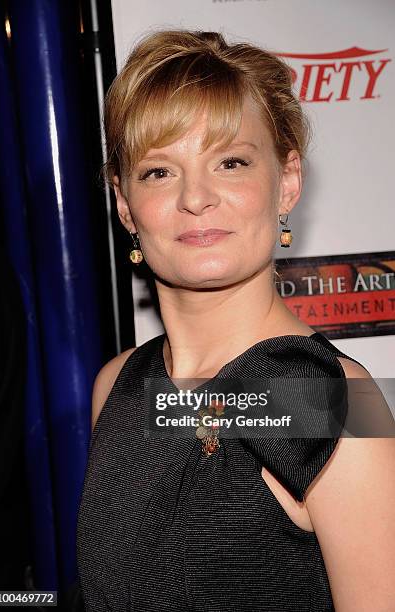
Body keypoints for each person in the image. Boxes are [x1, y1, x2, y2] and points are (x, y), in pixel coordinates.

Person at [76, 29, 395, 611]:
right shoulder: (117, 386)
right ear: (124, 204)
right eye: (159, 172)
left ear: (288, 181)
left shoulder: (336, 401)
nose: (195, 197)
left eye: (230, 161)